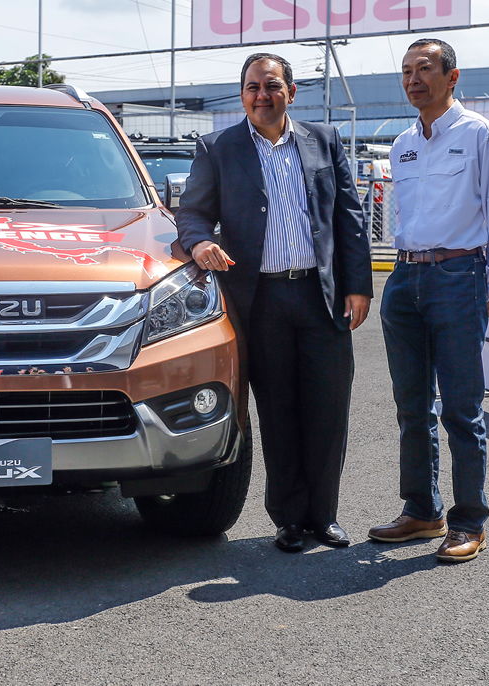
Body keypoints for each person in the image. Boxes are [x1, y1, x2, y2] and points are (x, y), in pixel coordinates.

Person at [176, 53, 373, 553]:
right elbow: (192, 214)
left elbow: (349, 217)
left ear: (291, 91)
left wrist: (358, 285)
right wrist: (199, 243)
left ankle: (323, 516)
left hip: (320, 296)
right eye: (251, 87)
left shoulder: (323, 141)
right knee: (278, 411)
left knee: (329, 409)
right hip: (258, 301)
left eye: (271, 85)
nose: (261, 95)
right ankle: (288, 519)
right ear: (242, 94)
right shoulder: (218, 147)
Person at [368, 39, 489, 563]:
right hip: (405, 279)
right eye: (406, 71)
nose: (413, 79)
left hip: (460, 277)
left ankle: (468, 521)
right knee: (411, 405)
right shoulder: (402, 143)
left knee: (460, 406)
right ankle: (421, 512)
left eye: (425, 69)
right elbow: (405, 219)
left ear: (451, 77)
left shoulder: (480, 134)